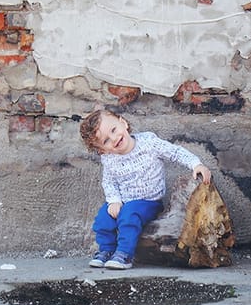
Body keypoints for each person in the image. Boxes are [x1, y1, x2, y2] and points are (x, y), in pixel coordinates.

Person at [79, 109, 212, 270]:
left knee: (129, 217)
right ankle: (106, 250)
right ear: (102, 150)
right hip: (123, 202)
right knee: (103, 219)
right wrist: (114, 201)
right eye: (106, 140)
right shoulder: (109, 159)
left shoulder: (149, 142)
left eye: (114, 130)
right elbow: (109, 182)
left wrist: (196, 164)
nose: (114, 138)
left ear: (123, 123)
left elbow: (175, 152)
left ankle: (124, 254)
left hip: (148, 201)